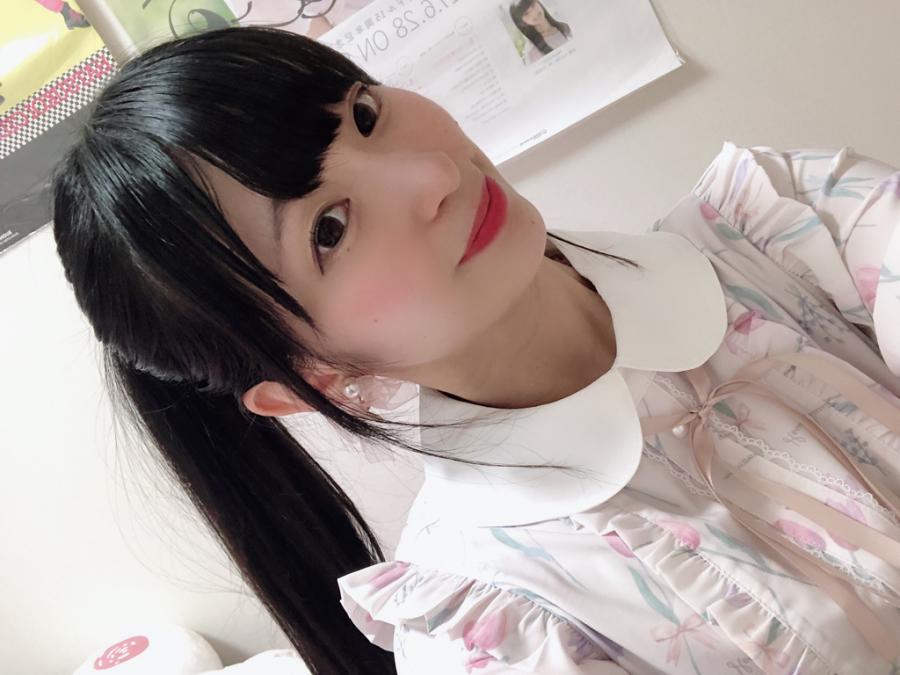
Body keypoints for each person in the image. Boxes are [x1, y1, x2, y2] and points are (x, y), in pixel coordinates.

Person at [49, 25, 900, 675]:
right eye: (329, 229)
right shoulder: (492, 634)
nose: (432, 175)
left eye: (365, 115)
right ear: (313, 377)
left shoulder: (796, 221)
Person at [509, 0, 572, 65]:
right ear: (522, 22)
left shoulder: (566, 26)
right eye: (526, 13)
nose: (533, 12)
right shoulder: (531, 52)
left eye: (533, 5)